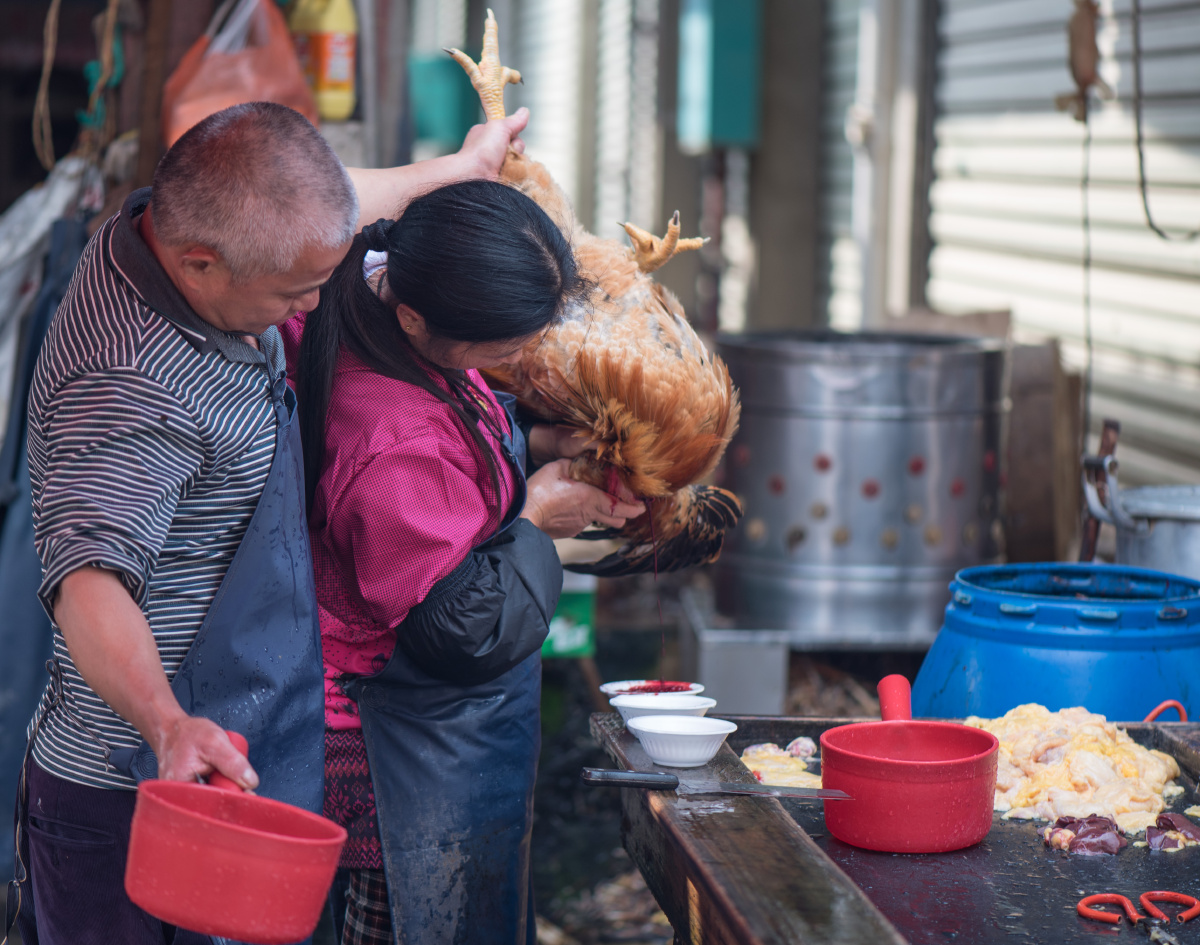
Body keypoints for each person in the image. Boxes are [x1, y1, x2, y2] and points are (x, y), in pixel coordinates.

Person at [9, 100, 529, 945]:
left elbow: (319, 207)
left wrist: (453, 173)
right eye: (297, 291)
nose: (320, 301)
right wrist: (166, 723)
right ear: (201, 262)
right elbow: (87, 581)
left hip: (239, 746)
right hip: (138, 787)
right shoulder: (129, 388)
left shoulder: (183, 220)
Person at [285, 180, 644, 945]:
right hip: (397, 747)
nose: (521, 361)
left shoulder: (387, 306)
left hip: (433, 731)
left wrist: (540, 444)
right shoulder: (391, 441)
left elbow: (463, 419)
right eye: (507, 350)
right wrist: (539, 519)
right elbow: (460, 624)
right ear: (416, 319)